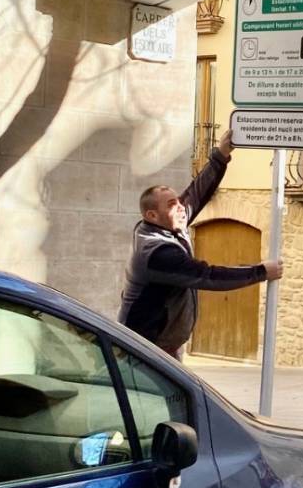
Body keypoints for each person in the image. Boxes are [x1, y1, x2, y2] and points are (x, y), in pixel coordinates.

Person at [118, 130, 281, 357]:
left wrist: (221, 154)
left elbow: (196, 193)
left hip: (165, 345)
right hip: (144, 349)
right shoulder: (157, 253)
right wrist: (261, 271)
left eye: (178, 202)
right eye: (172, 204)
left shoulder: (170, 224)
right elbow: (209, 276)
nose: (181, 207)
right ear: (152, 215)